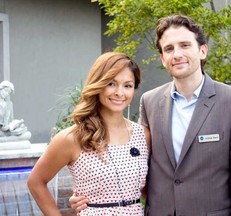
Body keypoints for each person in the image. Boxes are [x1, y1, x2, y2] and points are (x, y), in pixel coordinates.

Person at [69, 14, 231, 216]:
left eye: (185, 45)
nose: (177, 54)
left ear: (203, 51)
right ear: (163, 59)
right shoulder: (150, 101)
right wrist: (89, 193)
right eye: (169, 49)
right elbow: (136, 164)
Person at [27, 52, 150, 216]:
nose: (120, 93)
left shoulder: (143, 135)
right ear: (98, 84)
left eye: (127, 85)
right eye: (111, 84)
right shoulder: (72, 138)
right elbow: (36, 182)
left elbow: (149, 189)